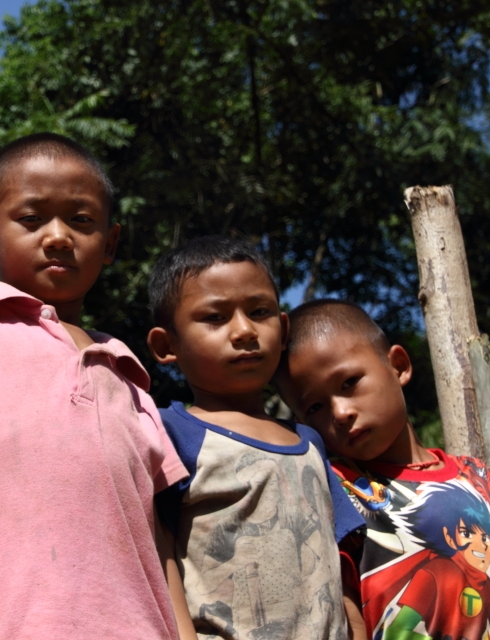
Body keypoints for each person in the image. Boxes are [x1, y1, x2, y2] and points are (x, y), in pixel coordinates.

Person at [0, 132, 194, 640]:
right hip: (4, 624)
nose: (58, 236)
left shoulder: (128, 372)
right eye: (32, 219)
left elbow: (158, 536)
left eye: (81, 221)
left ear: (111, 244)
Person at [273, 299, 490, 640]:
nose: (341, 412)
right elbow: (339, 608)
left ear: (398, 366)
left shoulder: (479, 478)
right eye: (315, 406)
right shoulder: (336, 489)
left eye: (348, 383)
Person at [145, 236, 367, 640]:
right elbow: (158, 550)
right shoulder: (168, 432)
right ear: (166, 345)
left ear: (282, 330)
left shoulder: (310, 441)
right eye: (215, 317)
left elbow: (338, 560)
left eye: (259, 312)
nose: (245, 330)